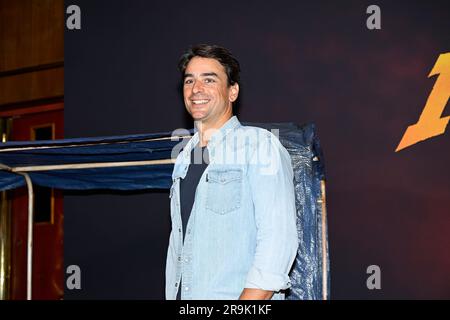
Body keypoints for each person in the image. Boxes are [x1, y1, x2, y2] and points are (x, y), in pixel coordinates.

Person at [166, 44, 298, 300]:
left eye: (209, 79)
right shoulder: (183, 157)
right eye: (189, 80)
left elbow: (277, 240)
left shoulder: (260, 145)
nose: (196, 89)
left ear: (232, 91)